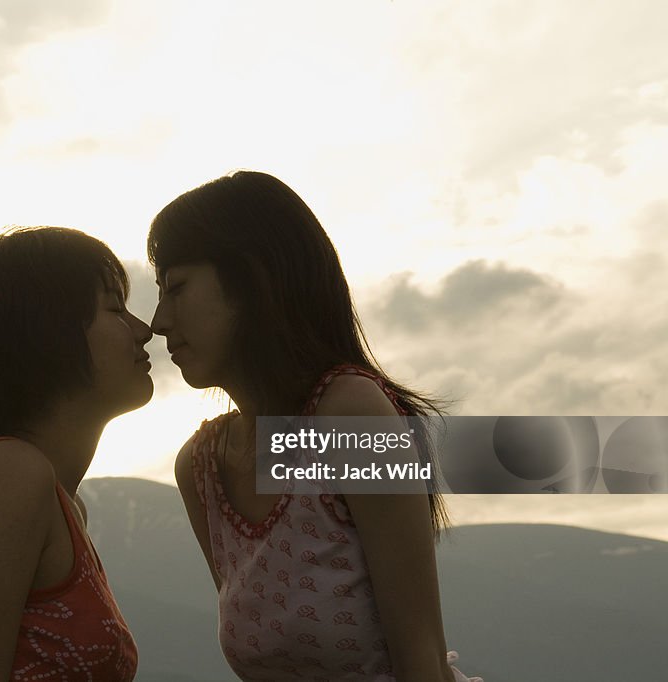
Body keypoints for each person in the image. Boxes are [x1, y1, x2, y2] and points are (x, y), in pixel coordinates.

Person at [148, 171, 483, 682]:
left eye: (176, 289)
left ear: (254, 278)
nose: (158, 320)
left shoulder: (349, 412)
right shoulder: (201, 466)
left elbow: (422, 662)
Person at [0, 226, 153, 681]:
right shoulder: (9, 476)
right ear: (48, 335)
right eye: (114, 309)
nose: (143, 330)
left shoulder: (55, 498)